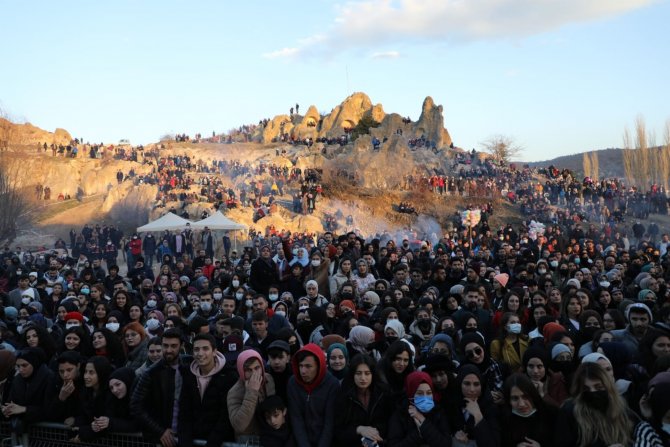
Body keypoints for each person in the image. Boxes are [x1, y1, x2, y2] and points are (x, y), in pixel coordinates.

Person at [554, 362, 635, 447]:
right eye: (586, 389)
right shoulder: (570, 411)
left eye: (598, 387)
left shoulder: (620, 406)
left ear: (607, 386)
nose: (592, 392)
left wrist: (647, 416)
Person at [130, 329, 186, 447]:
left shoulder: (190, 365)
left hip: (186, 434)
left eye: (174, 346)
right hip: (162, 439)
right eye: (165, 346)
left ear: (181, 346)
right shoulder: (151, 373)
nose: (169, 350)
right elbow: (136, 406)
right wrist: (160, 431)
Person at [178, 333, 236, 447]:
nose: (200, 353)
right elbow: (185, 411)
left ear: (214, 351)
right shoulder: (188, 375)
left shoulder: (230, 376)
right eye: (196, 349)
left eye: (205, 349)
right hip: (195, 439)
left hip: (220, 442)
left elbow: (226, 415)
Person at [287, 343, 340, 447]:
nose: (303, 371)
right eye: (300, 366)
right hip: (300, 440)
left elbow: (329, 422)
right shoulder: (293, 383)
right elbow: (296, 419)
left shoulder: (332, 384)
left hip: (326, 440)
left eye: (308, 366)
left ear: (318, 366)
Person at [333, 354, 391, 447]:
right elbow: (338, 431)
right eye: (358, 373)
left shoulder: (382, 393)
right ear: (352, 374)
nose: (363, 378)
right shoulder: (344, 395)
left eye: (367, 373)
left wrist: (374, 437)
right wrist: (359, 429)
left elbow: (388, 425)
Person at [387, 371, 451, 447]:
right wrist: (418, 434)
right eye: (420, 393)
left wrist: (422, 421)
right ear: (411, 393)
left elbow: (446, 444)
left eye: (428, 393)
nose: (425, 397)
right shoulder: (400, 413)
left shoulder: (438, 411)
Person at [227, 348, 276, 442]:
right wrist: (251, 392)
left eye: (257, 368)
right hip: (249, 440)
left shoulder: (268, 379)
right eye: (248, 370)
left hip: (269, 435)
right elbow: (239, 426)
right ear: (241, 371)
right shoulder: (234, 392)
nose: (254, 373)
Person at [447, 364, 500, 447]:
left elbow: (493, 443)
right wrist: (455, 433)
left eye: (476, 384)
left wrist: (478, 416)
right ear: (459, 384)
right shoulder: (453, 402)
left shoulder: (490, 406)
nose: (472, 389)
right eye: (467, 384)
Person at [500, 373, 558, 447]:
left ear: (532, 394)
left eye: (525, 396)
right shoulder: (503, 418)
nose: (521, 404)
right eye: (515, 398)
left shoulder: (551, 413)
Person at [73, 356, 114, 441]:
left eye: (91, 372)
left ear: (101, 373)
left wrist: (84, 432)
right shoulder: (85, 391)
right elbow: (83, 416)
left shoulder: (111, 393)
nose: (86, 376)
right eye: (85, 372)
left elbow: (105, 424)